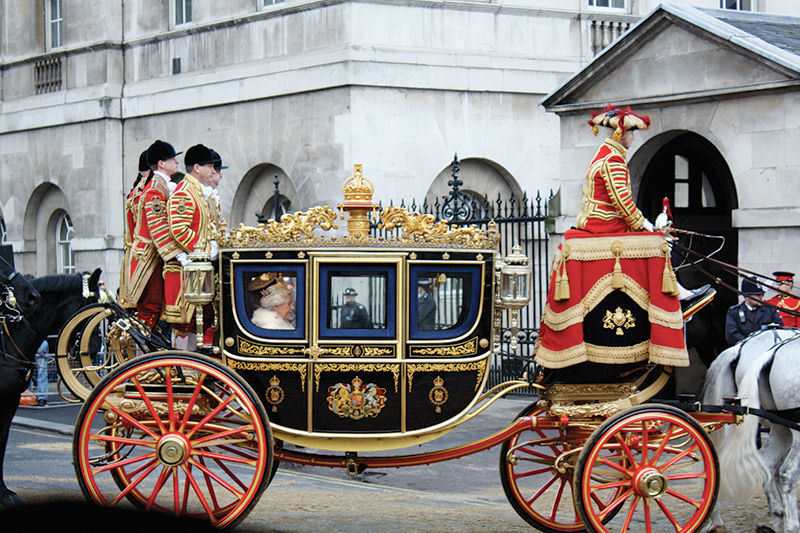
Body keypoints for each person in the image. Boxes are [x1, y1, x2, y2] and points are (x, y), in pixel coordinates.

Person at [581, 106, 714, 315]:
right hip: (606, 224)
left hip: (601, 221)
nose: (633, 137)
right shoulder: (613, 159)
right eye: (631, 132)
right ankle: (679, 297)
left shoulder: (604, 154)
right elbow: (622, 201)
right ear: (620, 133)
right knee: (655, 243)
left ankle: (677, 293)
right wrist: (645, 225)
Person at [120, 141, 183, 329]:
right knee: (149, 308)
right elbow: (158, 227)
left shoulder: (156, 186)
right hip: (149, 256)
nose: (176, 162)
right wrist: (176, 253)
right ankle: (140, 355)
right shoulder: (155, 189)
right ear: (161, 163)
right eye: (172, 159)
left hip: (149, 254)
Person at [165, 144, 220, 346]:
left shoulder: (197, 192)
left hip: (199, 266)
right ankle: (184, 365)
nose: (213, 171)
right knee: (186, 321)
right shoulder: (185, 193)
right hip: (187, 269)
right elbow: (179, 229)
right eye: (210, 167)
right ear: (197, 168)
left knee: (202, 318)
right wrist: (206, 249)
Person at [725, 277, 783, 346]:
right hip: (744, 350)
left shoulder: (770, 311)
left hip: (766, 349)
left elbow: (779, 330)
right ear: (747, 296)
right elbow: (732, 335)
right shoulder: (734, 312)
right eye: (758, 295)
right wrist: (751, 344)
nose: (761, 297)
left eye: (762, 294)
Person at [34, 339, 49, 406]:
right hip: (41, 342)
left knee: (26, 372)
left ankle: (25, 395)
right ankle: (42, 397)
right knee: (42, 371)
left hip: (28, 341)